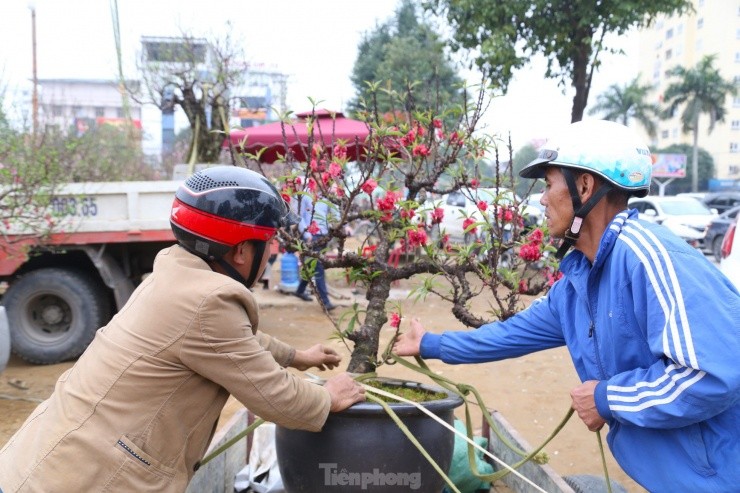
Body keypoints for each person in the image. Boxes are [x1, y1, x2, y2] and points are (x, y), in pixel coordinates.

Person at [394, 120, 740, 493]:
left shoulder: (648, 258)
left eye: (548, 184)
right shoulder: (580, 282)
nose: (542, 199)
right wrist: (431, 344)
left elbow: (711, 375)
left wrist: (606, 398)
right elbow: (512, 333)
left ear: (585, 187)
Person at [0, 166, 365, 492]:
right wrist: (327, 397)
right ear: (240, 251)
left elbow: (231, 340)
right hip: (86, 478)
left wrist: (296, 356)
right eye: (269, 242)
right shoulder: (209, 301)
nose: (272, 252)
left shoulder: (178, 273)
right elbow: (276, 398)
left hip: (48, 458)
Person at [292, 190, 337, 311]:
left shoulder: (327, 194)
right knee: (318, 267)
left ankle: (300, 290)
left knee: (312, 265)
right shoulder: (305, 194)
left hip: (325, 235)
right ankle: (325, 302)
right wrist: (306, 234)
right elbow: (299, 216)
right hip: (312, 235)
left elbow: (335, 213)